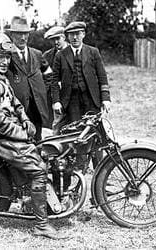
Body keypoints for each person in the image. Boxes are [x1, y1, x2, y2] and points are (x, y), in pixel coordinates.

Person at [0, 33, 60, 239]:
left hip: (10, 135)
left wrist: (27, 120)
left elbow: (16, 104)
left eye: (8, 57)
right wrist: (23, 134)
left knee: (48, 151)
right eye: (1, 57)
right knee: (39, 170)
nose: (5, 61)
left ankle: (35, 199)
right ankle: (41, 225)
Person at [51, 21, 111, 168]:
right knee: (76, 136)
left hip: (91, 100)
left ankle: (100, 171)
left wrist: (106, 98)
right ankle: (79, 171)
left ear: (83, 34)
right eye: (71, 35)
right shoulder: (61, 55)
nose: (75, 38)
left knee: (96, 135)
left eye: (77, 34)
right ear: (67, 37)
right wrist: (56, 101)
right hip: (72, 102)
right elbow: (54, 81)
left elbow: (102, 76)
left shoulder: (93, 52)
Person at [6, 16, 50, 141]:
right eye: (19, 34)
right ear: (12, 35)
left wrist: (42, 90)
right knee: (22, 141)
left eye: (25, 34)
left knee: (40, 140)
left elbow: (49, 75)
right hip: (19, 109)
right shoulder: (6, 56)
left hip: (38, 106)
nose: (23, 38)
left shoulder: (37, 54)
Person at [42, 26, 68, 131]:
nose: (56, 42)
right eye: (53, 40)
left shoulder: (73, 52)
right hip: (51, 96)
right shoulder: (47, 55)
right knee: (52, 125)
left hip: (68, 95)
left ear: (64, 37)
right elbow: (43, 76)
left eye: (58, 39)